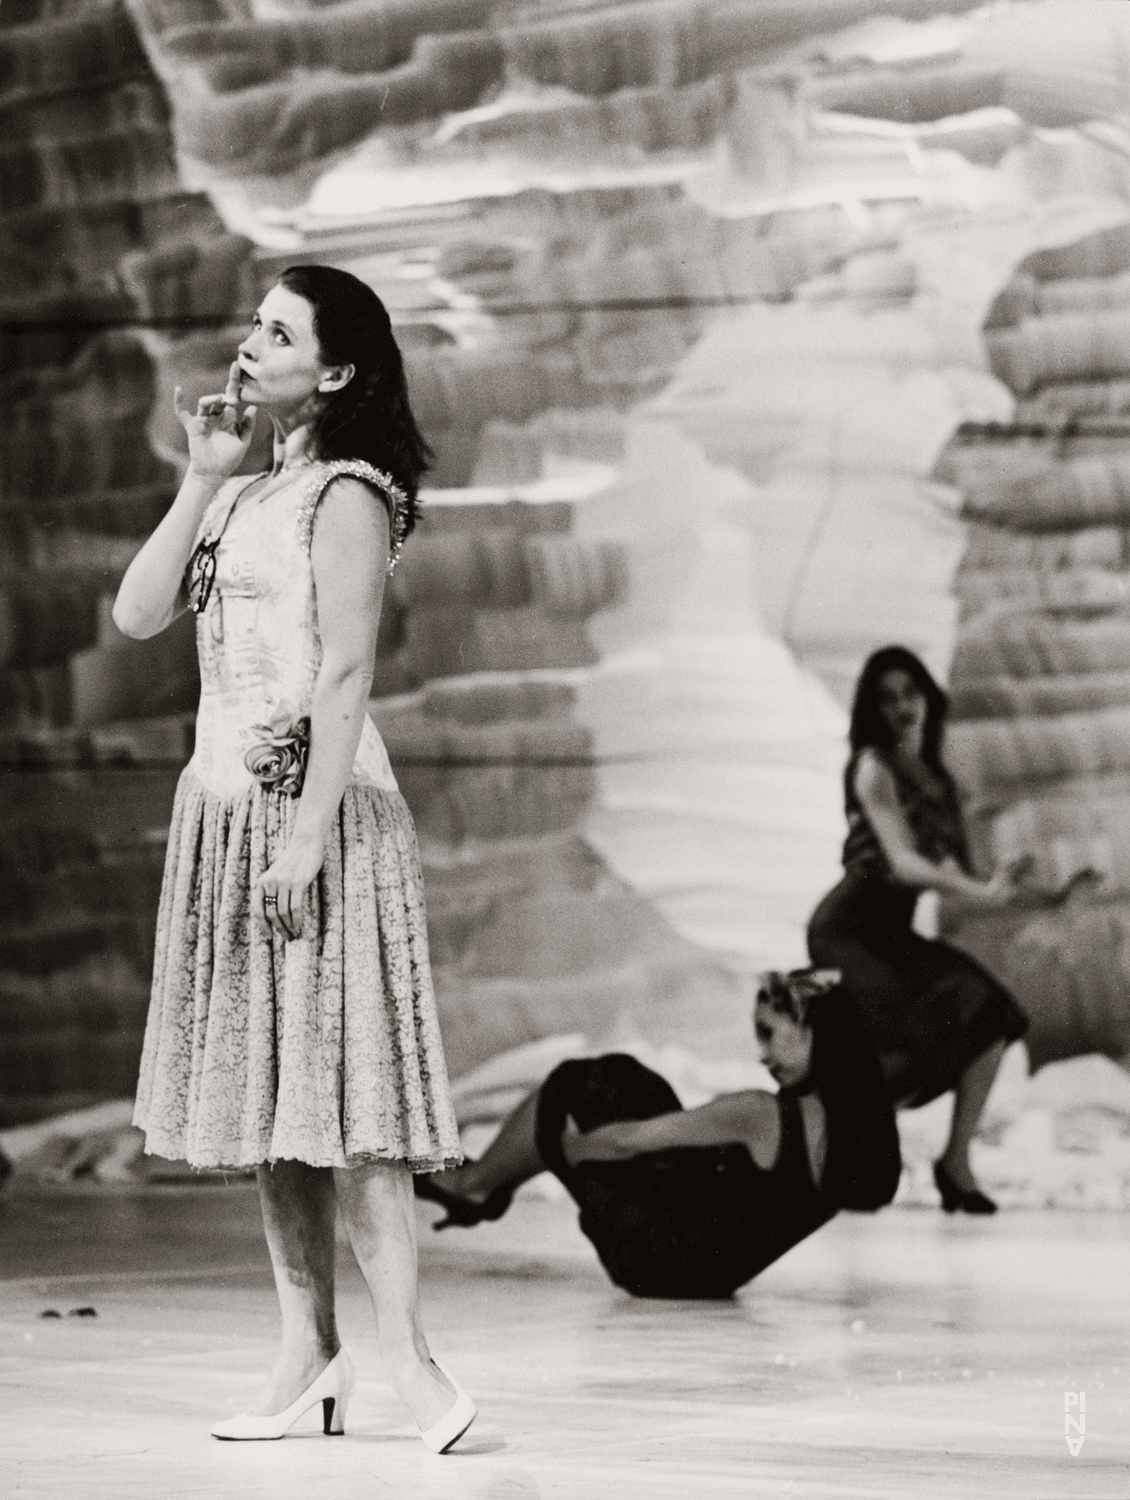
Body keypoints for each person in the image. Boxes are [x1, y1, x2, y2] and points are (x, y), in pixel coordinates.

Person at [113, 266, 475, 1451]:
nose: (246, 344)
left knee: (350, 1099)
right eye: (254, 325)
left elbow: (344, 674)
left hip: (314, 814)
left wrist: (308, 833)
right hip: (226, 809)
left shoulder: (351, 494)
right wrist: (199, 478)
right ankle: (307, 1355)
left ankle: (411, 1364)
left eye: (278, 332)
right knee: (277, 1111)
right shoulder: (242, 493)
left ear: (333, 371)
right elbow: (136, 616)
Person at [415, 968, 901, 1300]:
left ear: (812, 1031)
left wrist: (569, 1149)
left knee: (577, 1082)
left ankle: (472, 1187)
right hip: (708, 1277)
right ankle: (489, 1184)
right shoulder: (863, 1135)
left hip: (650, 1260)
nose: (762, 1054)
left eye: (769, 1033)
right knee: (631, 1078)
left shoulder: (761, 1114)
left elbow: (626, 1142)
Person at [807, 645, 1029, 1216]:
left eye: (911, 693)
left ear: (928, 698)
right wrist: (983, 890)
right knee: (906, 1042)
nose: (903, 707)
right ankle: (832, 1153)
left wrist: (1044, 896)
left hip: (892, 933)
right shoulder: (872, 767)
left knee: (994, 1015)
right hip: (849, 931)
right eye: (888, 699)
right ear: (872, 710)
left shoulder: (938, 784)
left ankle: (955, 1163)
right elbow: (904, 863)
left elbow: (959, 877)